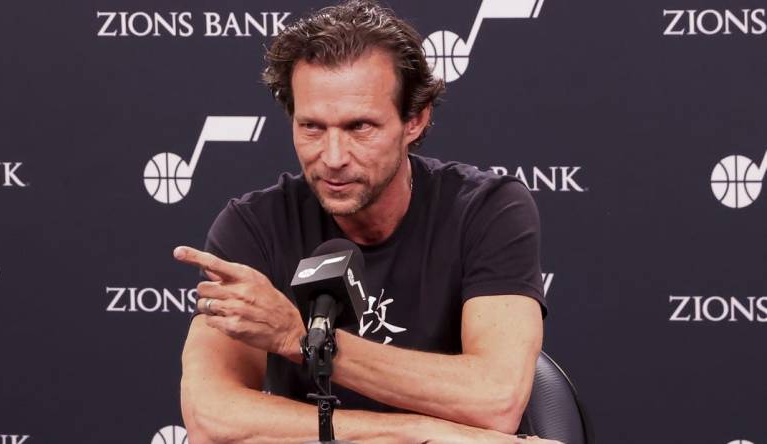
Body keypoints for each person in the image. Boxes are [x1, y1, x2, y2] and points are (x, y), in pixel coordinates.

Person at [176, 1, 560, 442]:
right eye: (312, 128)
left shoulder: (488, 209)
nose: (333, 158)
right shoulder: (253, 226)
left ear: (415, 119)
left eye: (360, 127)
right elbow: (211, 419)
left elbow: (496, 400)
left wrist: (297, 338)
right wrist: (420, 432)